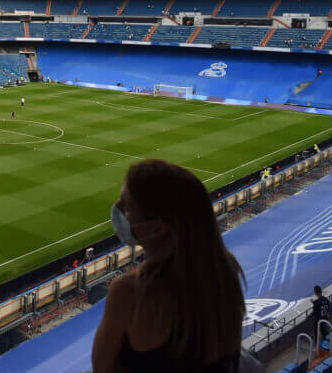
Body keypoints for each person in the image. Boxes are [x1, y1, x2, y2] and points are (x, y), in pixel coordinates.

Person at [93, 160, 244, 373]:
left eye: (126, 206)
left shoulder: (131, 292)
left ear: (158, 229)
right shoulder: (225, 269)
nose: (119, 211)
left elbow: (102, 368)